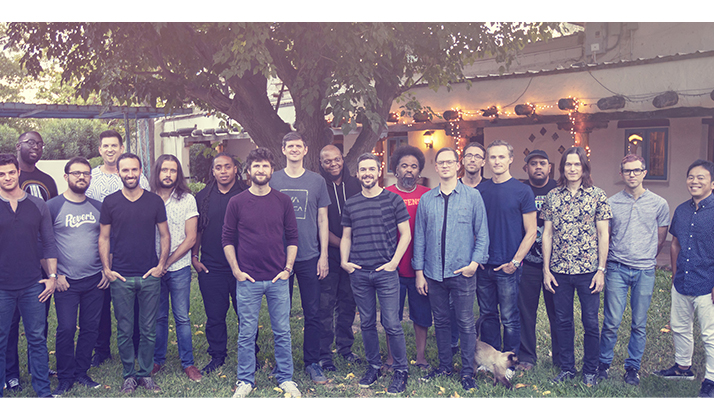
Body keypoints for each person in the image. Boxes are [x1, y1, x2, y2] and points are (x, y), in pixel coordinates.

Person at [223, 147, 301, 398]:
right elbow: (227, 239)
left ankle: (286, 377)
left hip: (278, 278)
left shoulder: (283, 201)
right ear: (248, 171)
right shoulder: (236, 202)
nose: (260, 169)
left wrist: (288, 269)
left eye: (265, 165)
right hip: (248, 279)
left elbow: (293, 237)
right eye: (256, 165)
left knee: (282, 331)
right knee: (247, 333)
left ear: (271, 170)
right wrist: (236, 270)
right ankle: (245, 380)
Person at [413, 147, 489, 391]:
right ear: (436, 167)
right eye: (441, 162)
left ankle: (467, 372)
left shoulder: (472, 197)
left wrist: (474, 264)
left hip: (462, 271)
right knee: (441, 321)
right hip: (433, 273)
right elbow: (419, 238)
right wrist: (419, 272)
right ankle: (445, 365)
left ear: (458, 165)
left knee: (465, 322)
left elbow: (482, 233)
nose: (445, 166)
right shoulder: (427, 199)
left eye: (450, 162)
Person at [99, 153, 169, 394]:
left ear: (141, 171)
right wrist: (107, 269)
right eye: (125, 170)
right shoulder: (110, 202)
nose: (130, 174)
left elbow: (164, 235)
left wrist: (161, 265)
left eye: (134, 169)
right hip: (121, 277)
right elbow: (104, 237)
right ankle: (129, 375)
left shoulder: (154, 201)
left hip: (149, 276)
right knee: (125, 330)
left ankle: (145, 374)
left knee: (148, 330)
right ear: (118, 172)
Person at [341, 153, 412, 394]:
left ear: (379, 171)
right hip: (360, 273)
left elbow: (406, 234)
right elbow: (347, 236)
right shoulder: (351, 203)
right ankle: (374, 366)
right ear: (357, 173)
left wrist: (394, 263)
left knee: (391, 323)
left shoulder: (393, 200)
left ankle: (401, 370)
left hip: (386, 273)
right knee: (367, 322)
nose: (367, 173)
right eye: (363, 169)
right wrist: (344, 261)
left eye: (371, 169)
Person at [597, 155, 669, 386]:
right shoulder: (611, 202)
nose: (632, 174)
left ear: (644, 172)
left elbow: (660, 238)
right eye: (627, 171)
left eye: (637, 170)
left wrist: (646, 256)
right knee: (611, 322)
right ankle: (603, 365)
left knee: (639, 323)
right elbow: (606, 236)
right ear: (621, 174)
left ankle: (632, 368)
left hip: (644, 270)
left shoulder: (659, 203)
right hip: (617, 268)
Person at [542, 146, 612, 386]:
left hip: (588, 271)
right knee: (563, 321)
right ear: (562, 168)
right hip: (559, 270)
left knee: (590, 322)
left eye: (577, 164)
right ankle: (567, 368)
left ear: (584, 167)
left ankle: (590, 370)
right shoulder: (553, 196)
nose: (572, 168)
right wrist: (546, 270)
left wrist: (601, 270)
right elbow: (547, 234)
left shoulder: (598, 195)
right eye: (568, 164)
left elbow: (603, 235)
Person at [269, 132, 331, 384]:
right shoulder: (273, 179)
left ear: (306, 150)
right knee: (280, 313)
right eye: (290, 146)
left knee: (312, 312)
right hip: (278, 258)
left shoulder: (317, 181)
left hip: (309, 256)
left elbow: (323, 219)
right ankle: (281, 362)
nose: (294, 149)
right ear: (283, 149)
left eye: (299, 146)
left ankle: (312, 362)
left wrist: (324, 255)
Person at [87, 130, 149, 368]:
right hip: (100, 243)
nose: (110, 149)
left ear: (122, 148)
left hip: (129, 246)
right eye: (105, 146)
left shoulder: (137, 176)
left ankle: (135, 345)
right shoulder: (92, 177)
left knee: (133, 301)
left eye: (114, 145)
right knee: (102, 299)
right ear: (100, 150)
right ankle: (101, 349)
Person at [654, 159, 714, 398]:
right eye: (691, 177)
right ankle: (683, 368)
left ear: (712, 183)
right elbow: (675, 244)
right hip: (682, 280)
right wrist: (675, 273)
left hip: (707, 284)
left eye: (701, 177)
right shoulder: (681, 210)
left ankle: (711, 378)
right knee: (680, 327)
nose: (694, 181)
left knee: (709, 334)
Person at [0, 153, 57, 398]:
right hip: (2, 287)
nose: (7, 177)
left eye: (11, 172)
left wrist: (52, 276)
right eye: (1, 174)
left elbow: (49, 242)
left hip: (33, 285)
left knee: (37, 339)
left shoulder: (37, 204)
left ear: (18, 173)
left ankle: (43, 393)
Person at [47, 157, 105, 396]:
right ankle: (65, 376)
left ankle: (81, 371)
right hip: (66, 282)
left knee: (90, 328)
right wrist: (55, 274)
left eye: (86, 173)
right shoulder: (52, 206)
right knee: (67, 328)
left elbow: (108, 239)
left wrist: (106, 269)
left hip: (94, 279)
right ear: (66, 176)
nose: (82, 177)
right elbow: (44, 243)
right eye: (76, 173)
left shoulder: (98, 207)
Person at [476, 140, 536, 355]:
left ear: (511, 159)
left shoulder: (522, 191)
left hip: (508, 266)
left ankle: (510, 360)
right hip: (484, 266)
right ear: (487, 161)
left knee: (509, 317)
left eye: (501, 157)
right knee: (488, 315)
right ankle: (492, 359)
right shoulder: (480, 190)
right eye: (492, 157)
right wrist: (476, 258)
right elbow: (473, 227)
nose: (497, 161)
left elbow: (531, 231)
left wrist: (515, 262)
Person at [192, 153, 250, 374]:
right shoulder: (203, 196)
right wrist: (195, 257)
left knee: (245, 315)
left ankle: (250, 354)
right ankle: (217, 355)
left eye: (227, 166)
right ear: (213, 171)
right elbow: (198, 230)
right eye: (218, 167)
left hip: (243, 267)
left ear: (236, 169)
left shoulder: (247, 193)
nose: (223, 171)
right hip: (211, 266)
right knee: (215, 316)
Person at [149, 155, 202, 382]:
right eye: (164, 170)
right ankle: (157, 360)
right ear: (157, 172)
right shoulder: (148, 197)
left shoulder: (187, 199)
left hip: (178, 267)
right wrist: (157, 265)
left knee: (182, 317)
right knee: (159, 317)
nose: (168, 174)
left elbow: (191, 239)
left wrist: (166, 263)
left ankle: (188, 363)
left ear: (178, 174)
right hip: (153, 268)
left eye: (172, 170)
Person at [384, 145, 432, 370]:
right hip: (393, 266)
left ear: (419, 170)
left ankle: (421, 356)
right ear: (396, 169)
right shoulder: (386, 194)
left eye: (414, 166)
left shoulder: (427, 195)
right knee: (391, 315)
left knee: (421, 315)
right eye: (404, 166)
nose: (409, 170)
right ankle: (391, 358)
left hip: (421, 268)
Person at [317, 144, 361, 371]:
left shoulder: (355, 184)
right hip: (328, 254)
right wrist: (342, 244)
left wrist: (351, 248)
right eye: (328, 161)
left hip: (354, 255)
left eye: (336, 159)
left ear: (342, 159)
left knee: (348, 303)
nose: (333, 164)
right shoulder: (318, 186)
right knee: (325, 305)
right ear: (321, 163)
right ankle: (324, 354)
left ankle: (345, 348)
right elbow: (319, 223)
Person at [517, 149, 560, 370]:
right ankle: (526, 357)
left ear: (549, 167)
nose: (538, 167)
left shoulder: (559, 189)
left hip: (556, 263)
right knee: (526, 312)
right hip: (529, 262)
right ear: (526, 168)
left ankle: (561, 357)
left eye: (542, 163)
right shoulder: (520, 190)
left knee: (558, 312)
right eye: (533, 164)